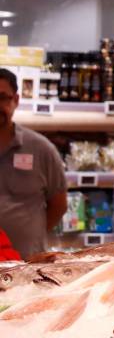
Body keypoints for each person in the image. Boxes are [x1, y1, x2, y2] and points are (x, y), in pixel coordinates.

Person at [0, 68, 67, 259]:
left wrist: (32, 234)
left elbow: (59, 205)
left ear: (16, 100)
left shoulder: (41, 149)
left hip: (29, 267)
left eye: (2, 97)